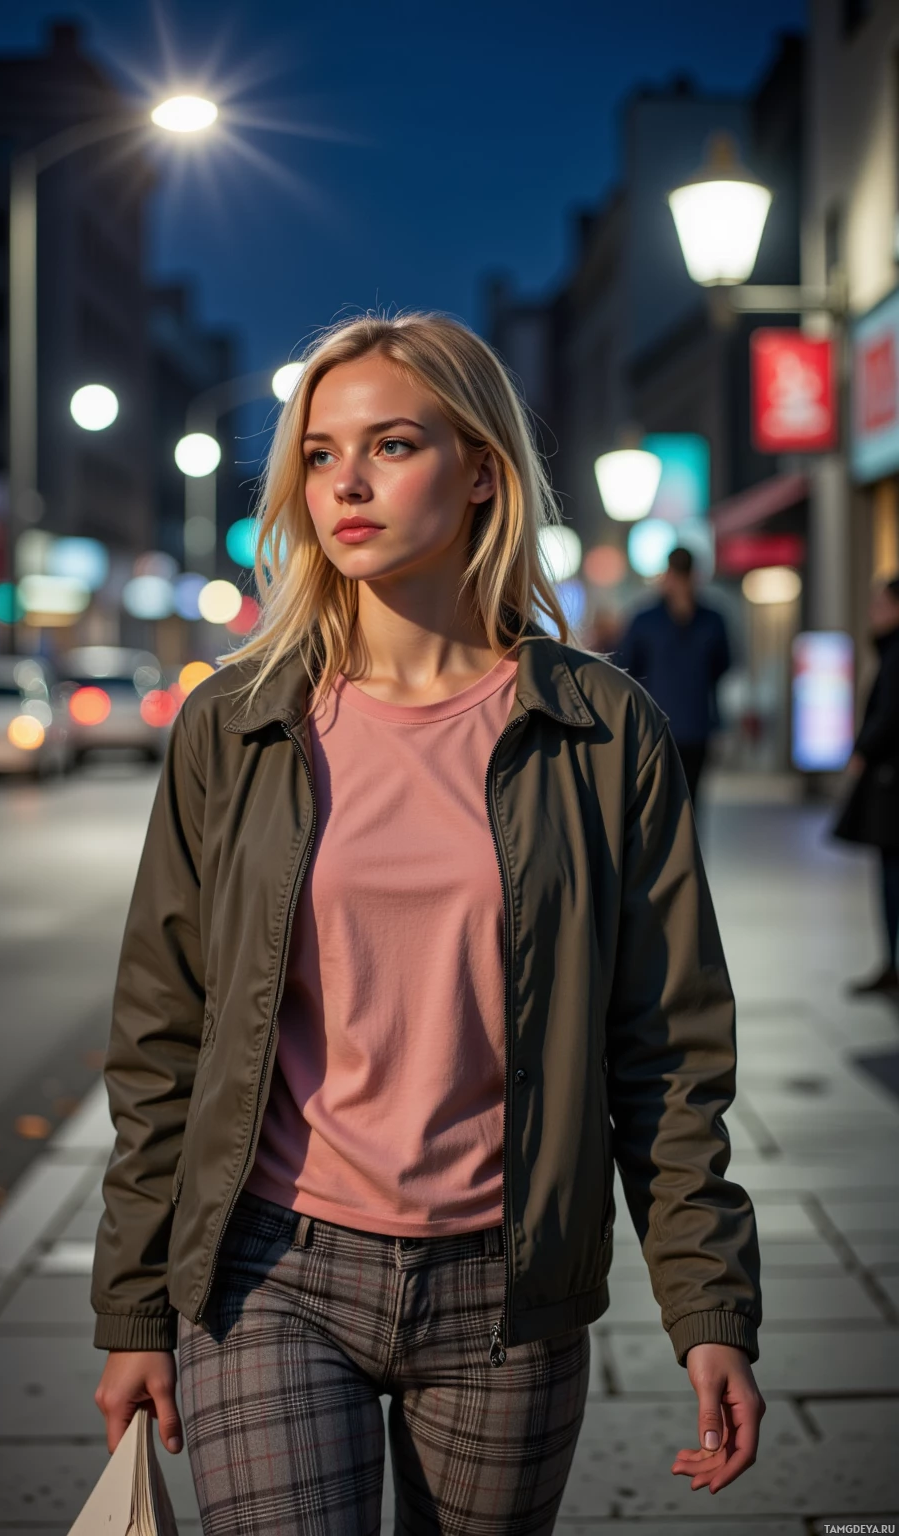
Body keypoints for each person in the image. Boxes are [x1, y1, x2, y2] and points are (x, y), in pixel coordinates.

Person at [90, 313, 764, 1534]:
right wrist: (134, 1306)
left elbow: (666, 1051)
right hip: (268, 1269)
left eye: (391, 444)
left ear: (482, 473)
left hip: (507, 1282)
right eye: (320, 452)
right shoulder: (234, 726)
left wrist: (708, 1306)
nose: (345, 481)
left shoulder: (602, 731)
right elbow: (160, 1038)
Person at [619, 546, 731, 807]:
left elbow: (722, 665)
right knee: (657, 803)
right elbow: (627, 669)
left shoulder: (712, 620)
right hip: (655, 727)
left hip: (695, 727)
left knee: (692, 801)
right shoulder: (645, 620)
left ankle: (688, 849)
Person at [836, 575, 899, 996]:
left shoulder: (895, 655)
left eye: (880, 604)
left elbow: (889, 714)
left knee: (891, 874)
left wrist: (862, 751)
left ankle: (892, 965)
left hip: (891, 781)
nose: (873, 612)